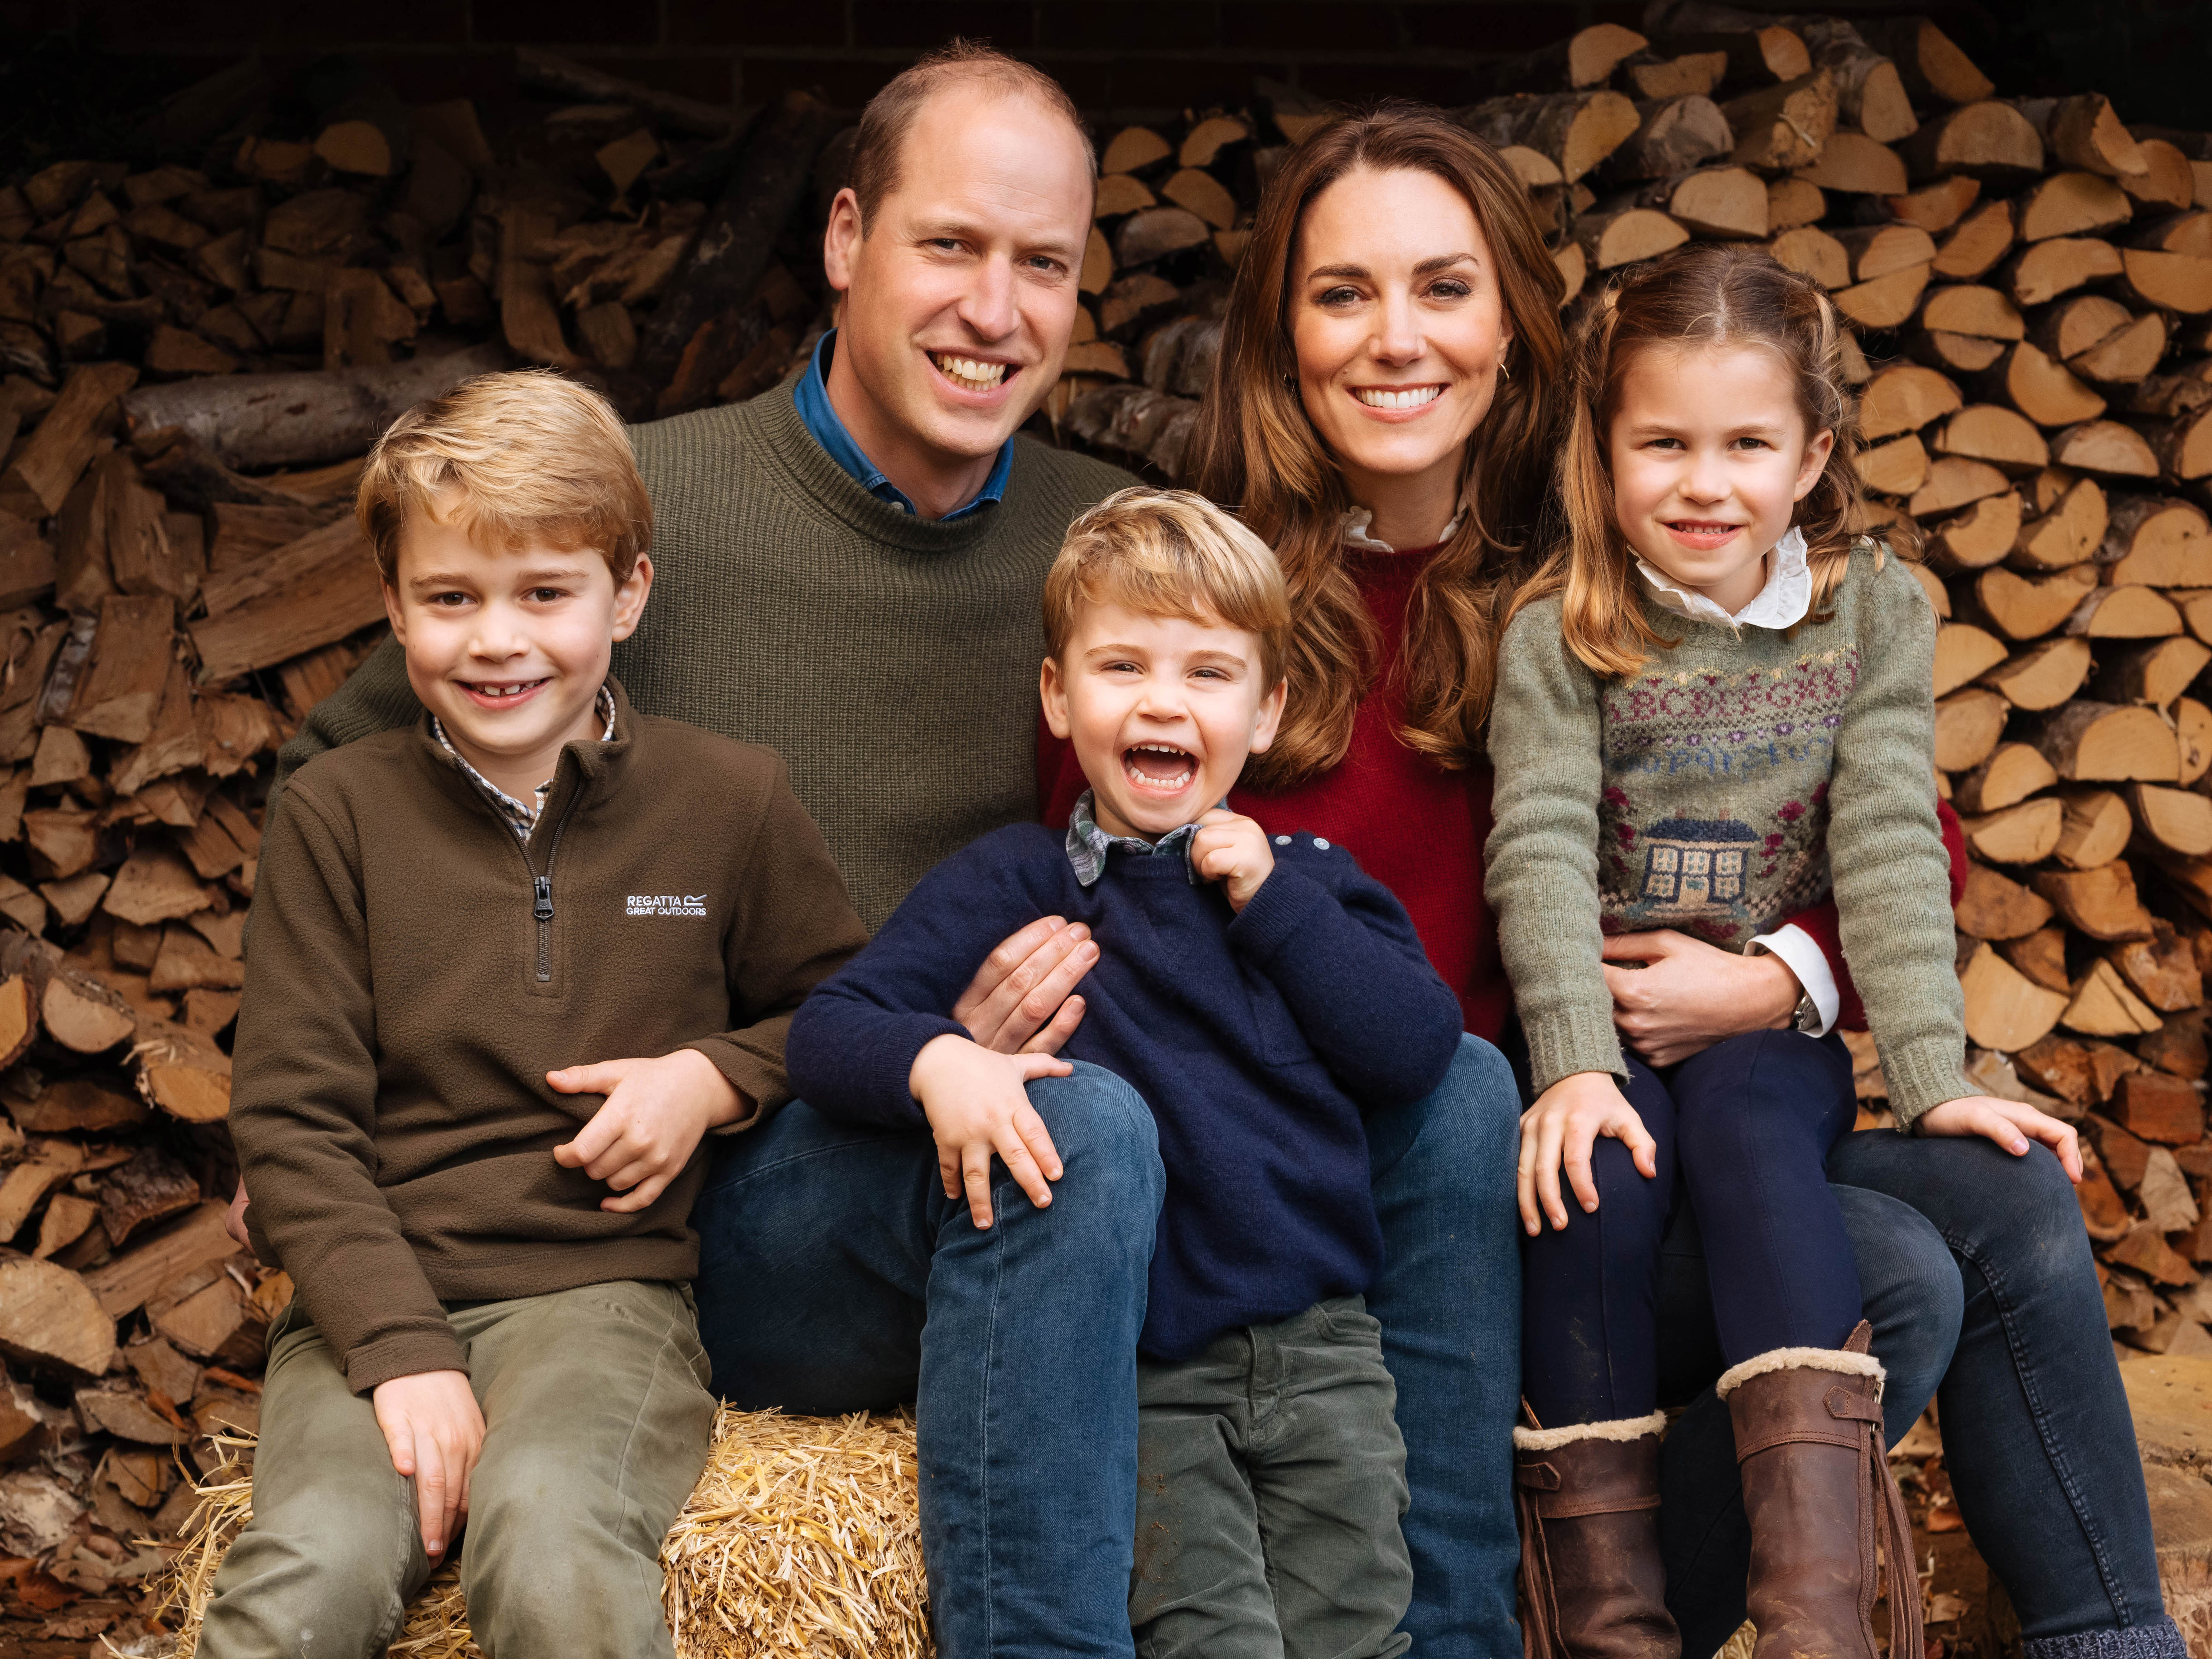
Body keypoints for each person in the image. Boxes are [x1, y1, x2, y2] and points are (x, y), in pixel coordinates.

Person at [248, 49, 1522, 1658]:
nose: (996, 309)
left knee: (1458, 1090)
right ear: (846, 237)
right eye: (950, 247)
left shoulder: (1102, 533)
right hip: (757, 1189)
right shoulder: (656, 515)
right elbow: (351, 781)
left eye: (1042, 265)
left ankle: (1460, 1633)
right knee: (1093, 1132)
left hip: (1053, 1142)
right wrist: (577, 1069)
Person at [205, 372, 869, 1659]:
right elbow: (288, 1124)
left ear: (627, 593)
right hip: (369, 1298)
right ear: (394, 608)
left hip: (602, 1297)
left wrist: (712, 1076)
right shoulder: (336, 813)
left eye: (544, 593)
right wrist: (404, 1354)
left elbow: (842, 1009)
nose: (497, 639)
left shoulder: (730, 799)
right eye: (450, 598)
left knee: (553, 1533)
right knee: (306, 1577)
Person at [1487, 245, 2086, 1659]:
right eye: (1664, 444)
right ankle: (1605, 1629)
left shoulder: (1872, 611)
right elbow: (1540, 844)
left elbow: (1884, 836)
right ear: (1603, 446)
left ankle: (1818, 1617)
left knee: (1759, 1136)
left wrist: (1932, 1076)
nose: (1705, 483)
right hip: (1604, 1032)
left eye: (1747, 443)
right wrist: (1571, 1063)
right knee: (1592, 1189)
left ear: (1813, 454)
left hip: (1769, 1037)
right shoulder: (1561, 627)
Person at [791, 488, 1462, 1658]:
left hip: (1325, 1355)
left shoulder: (1310, 882)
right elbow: (830, 1029)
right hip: (1151, 1366)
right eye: (1121, 667)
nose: (1163, 701)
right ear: (1060, 698)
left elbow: (1414, 1051)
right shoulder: (1015, 882)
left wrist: (1271, 902)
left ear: (1267, 713)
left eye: (1209, 673)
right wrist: (941, 1057)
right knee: (1212, 1637)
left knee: (1358, 1628)